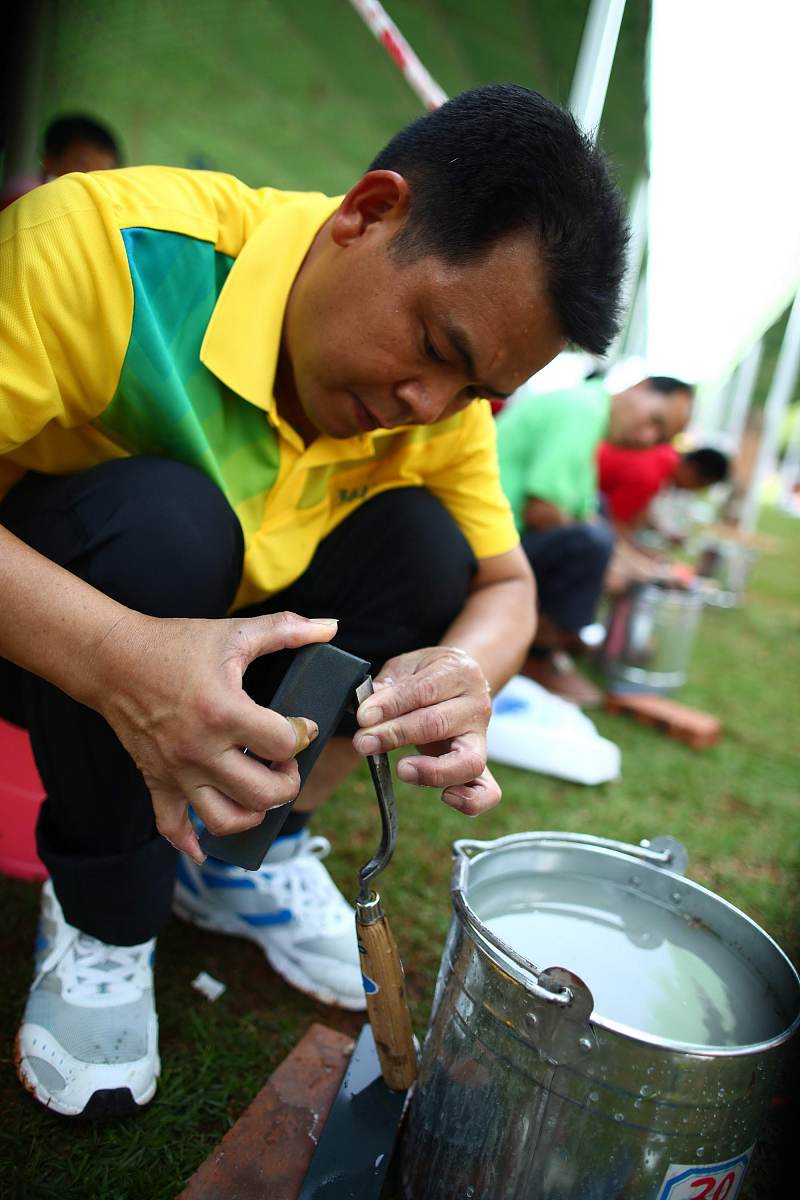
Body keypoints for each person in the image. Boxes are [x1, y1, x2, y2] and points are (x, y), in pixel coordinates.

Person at [0, 83, 627, 1117]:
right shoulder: (101, 248)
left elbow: (506, 585)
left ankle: (242, 856)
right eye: (438, 349)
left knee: (428, 552)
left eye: (474, 395)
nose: (429, 408)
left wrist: (465, 670)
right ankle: (104, 912)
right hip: (42, 653)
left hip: (212, 663)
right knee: (166, 519)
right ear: (367, 212)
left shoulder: (434, 411)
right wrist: (116, 653)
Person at [496, 374, 694, 705]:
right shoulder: (581, 411)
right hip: (481, 542)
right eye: (654, 421)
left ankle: (558, 638)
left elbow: (586, 512)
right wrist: (616, 560)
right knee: (591, 544)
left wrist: (641, 567)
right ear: (638, 387)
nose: (646, 437)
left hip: (502, 536)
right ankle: (539, 654)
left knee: (598, 524)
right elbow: (542, 512)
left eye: (660, 437)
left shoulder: (588, 412)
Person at [598, 441, 729, 535]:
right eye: (699, 485)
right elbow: (613, 525)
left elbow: (637, 513)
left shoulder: (665, 452)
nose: (692, 491)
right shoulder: (649, 478)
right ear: (692, 469)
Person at [0, 113, 120, 209]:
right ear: (50, 161)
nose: (92, 181)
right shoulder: (18, 203)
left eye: (104, 172)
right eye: (83, 167)